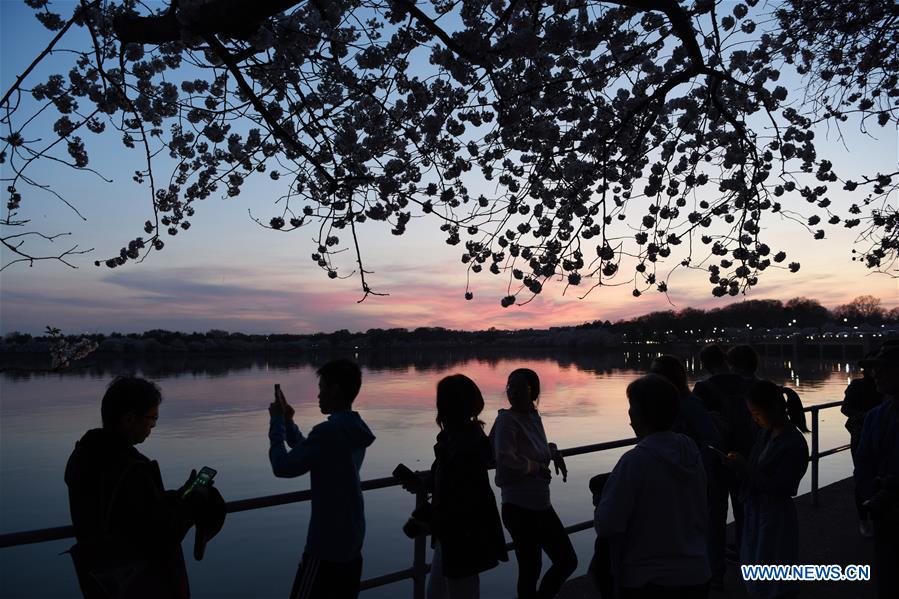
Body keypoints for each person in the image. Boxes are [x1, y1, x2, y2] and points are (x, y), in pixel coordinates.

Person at [65, 376, 206, 599]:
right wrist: (191, 504)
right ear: (129, 419)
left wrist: (177, 497)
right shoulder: (131, 469)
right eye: (152, 418)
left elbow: (132, 511)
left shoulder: (84, 454)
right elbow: (160, 535)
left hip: (99, 580)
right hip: (141, 582)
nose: (153, 426)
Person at [595, 374, 710, 599]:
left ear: (639, 414)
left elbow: (608, 524)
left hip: (649, 579)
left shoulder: (635, 461)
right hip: (696, 572)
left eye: (631, 407)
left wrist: (601, 500)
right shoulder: (690, 450)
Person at [268, 359, 375, 599]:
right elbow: (312, 451)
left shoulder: (329, 431)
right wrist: (288, 422)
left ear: (335, 389)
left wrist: (276, 423)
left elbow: (282, 466)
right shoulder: (353, 427)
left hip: (326, 545)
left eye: (322, 388)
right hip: (351, 540)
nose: (318, 395)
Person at [491, 368, 577, 599]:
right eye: (510, 386)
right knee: (531, 568)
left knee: (567, 560)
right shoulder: (506, 420)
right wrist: (536, 467)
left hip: (541, 505)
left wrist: (552, 450)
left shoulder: (533, 416)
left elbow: (535, 447)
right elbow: (506, 460)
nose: (513, 391)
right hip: (518, 507)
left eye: (520, 386)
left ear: (533, 391)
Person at [725, 380, 809, 599]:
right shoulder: (766, 434)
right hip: (757, 511)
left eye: (756, 413)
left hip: (775, 516)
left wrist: (745, 468)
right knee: (755, 567)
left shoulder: (793, 443)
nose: (754, 419)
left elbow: (784, 488)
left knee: (772, 572)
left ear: (772, 409)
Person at [427, 374, 508, 599]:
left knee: (457, 590)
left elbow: (458, 489)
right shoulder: (461, 439)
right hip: (457, 531)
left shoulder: (461, 444)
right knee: (443, 590)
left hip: (461, 533)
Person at [853, 341, 899, 599]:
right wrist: (873, 494)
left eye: (885, 368)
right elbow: (863, 466)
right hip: (885, 517)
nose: (876, 374)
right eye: (874, 369)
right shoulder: (875, 417)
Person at [841, 357, 883, 536]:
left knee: (878, 475)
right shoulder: (856, 386)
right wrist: (863, 416)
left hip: (878, 435)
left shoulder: (883, 387)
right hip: (861, 435)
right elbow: (845, 408)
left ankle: (873, 517)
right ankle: (864, 519)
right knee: (863, 476)